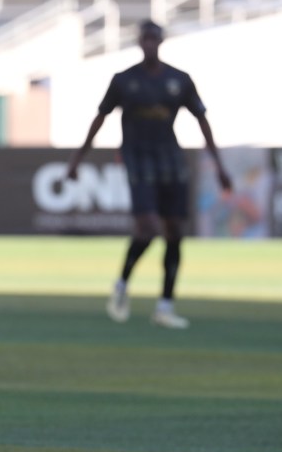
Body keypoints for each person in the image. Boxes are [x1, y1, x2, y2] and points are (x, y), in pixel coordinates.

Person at [66, 19, 232, 329]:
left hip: (171, 159)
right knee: (149, 227)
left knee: (175, 232)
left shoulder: (179, 80)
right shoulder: (123, 81)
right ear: (139, 42)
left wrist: (219, 167)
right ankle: (121, 284)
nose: (149, 44)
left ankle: (165, 306)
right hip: (138, 159)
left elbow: (202, 120)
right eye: (145, 39)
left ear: (161, 41)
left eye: (154, 39)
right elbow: (99, 118)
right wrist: (76, 159)